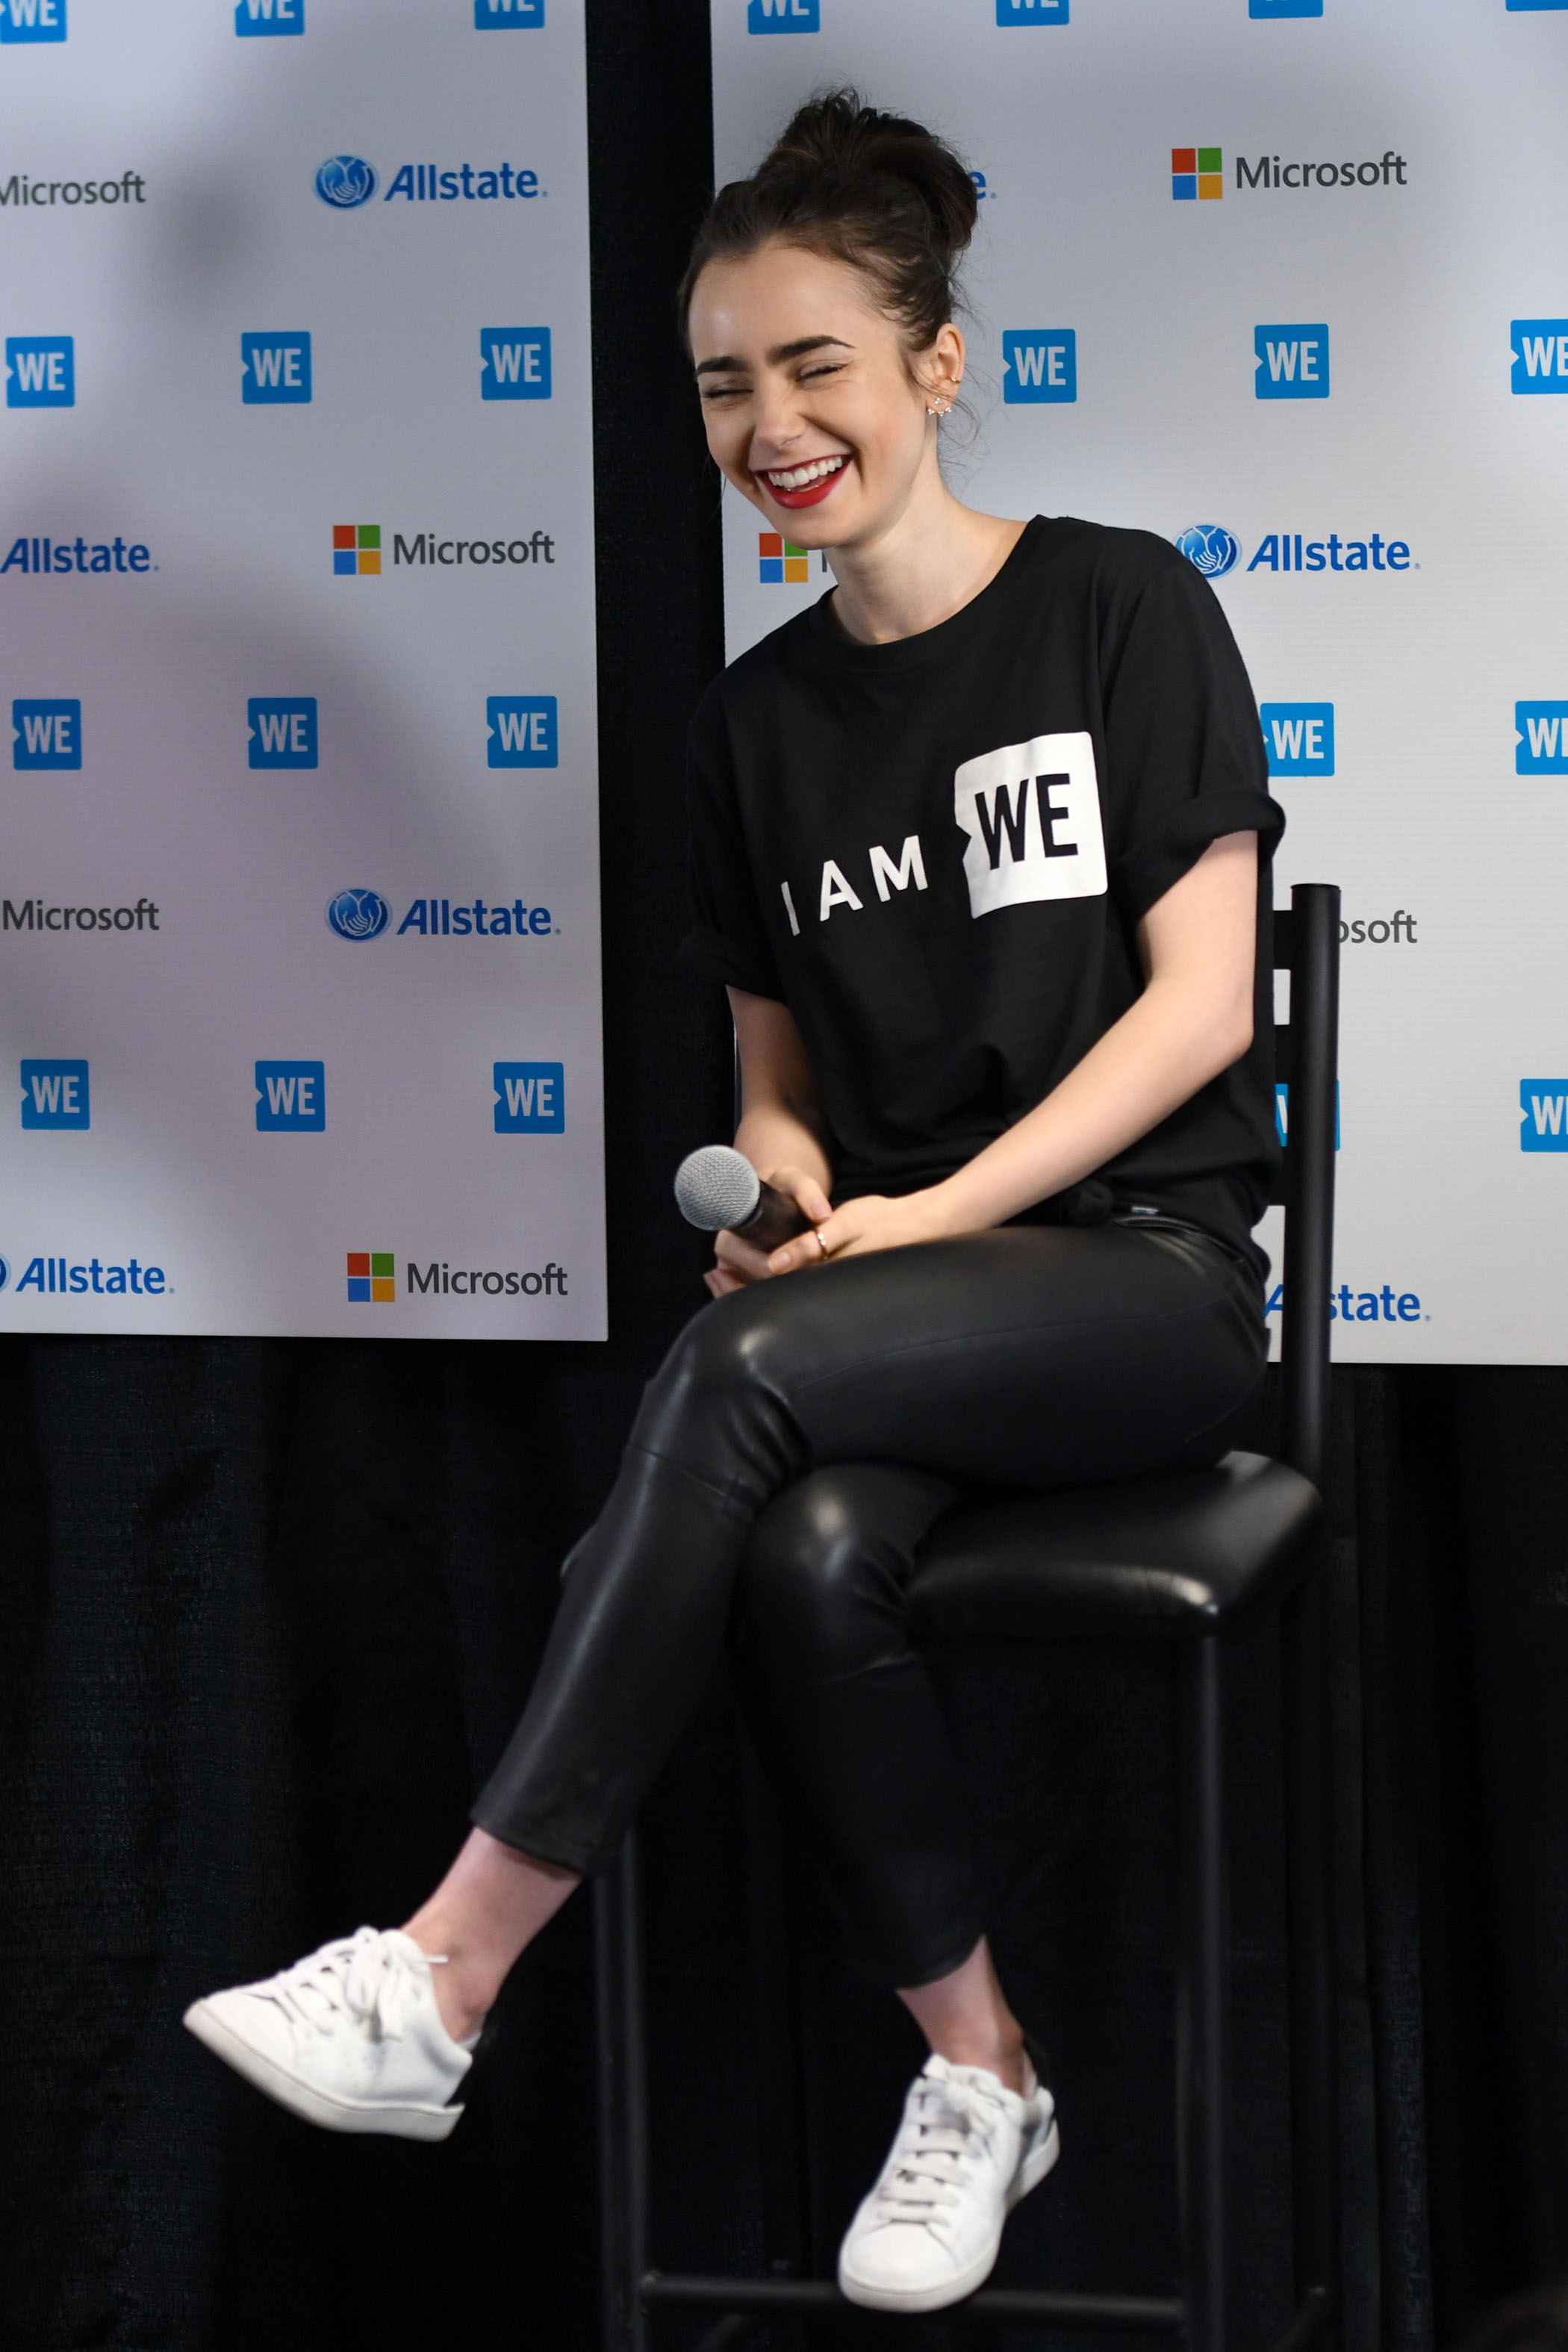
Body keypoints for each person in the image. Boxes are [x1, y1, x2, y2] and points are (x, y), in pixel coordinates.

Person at [185, 90, 1284, 2317]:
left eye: (814, 368)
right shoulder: (750, 725)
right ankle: (983, 2075)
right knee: (793, 1534)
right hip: (893, 1310)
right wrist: (789, 1192)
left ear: (930, 368)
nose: (769, 425)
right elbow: (778, 1093)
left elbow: (1196, 1014)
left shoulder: (1118, 608)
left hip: (1138, 1291)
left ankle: (444, 1975)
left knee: (745, 1369)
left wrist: (932, 1214)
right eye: (721, 382)